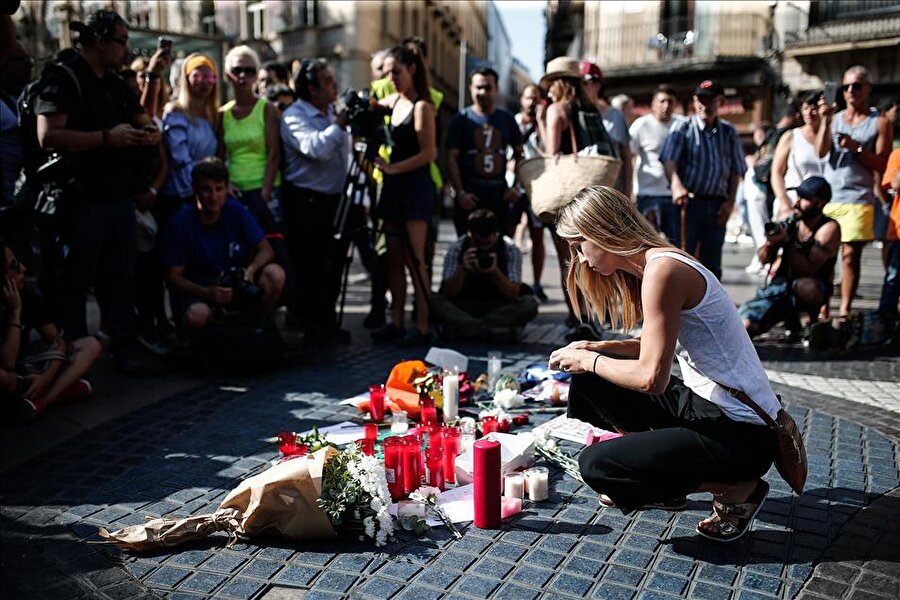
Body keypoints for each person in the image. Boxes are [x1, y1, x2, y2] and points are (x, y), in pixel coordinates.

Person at [548, 185, 779, 542]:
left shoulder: (663, 271)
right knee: (587, 378)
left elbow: (651, 378)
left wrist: (589, 358)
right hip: (710, 409)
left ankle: (737, 488)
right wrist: (597, 347)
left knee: (596, 466)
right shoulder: (658, 262)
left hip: (743, 436)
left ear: (601, 232)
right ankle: (664, 478)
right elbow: (658, 342)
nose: (579, 258)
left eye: (579, 246)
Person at [34, 9, 163, 375]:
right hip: (80, 200)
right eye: (121, 41)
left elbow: (142, 120)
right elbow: (47, 136)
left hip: (118, 198)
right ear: (100, 41)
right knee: (74, 281)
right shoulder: (64, 77)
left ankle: (124, 346)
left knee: (121, 277)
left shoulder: (116, 83)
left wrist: (148, 133)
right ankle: (72, 354)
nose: (126, 48)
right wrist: (107, 138)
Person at [539, 56, 617, 340]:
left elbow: (551, 157)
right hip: (591, 197)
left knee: (568, 261)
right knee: (592, 259)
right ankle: (595, 314)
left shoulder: (556, 110)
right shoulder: (591, 109)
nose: (548, 91)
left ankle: (578, 317)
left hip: (566, 198)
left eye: (550, 85)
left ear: (559, 84)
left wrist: (540, 121)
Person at [160, 158, 284, 330]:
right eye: (206, 190)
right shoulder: (180, 223)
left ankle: (259, 330)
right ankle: (194, 346)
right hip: (198, 290)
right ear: (195, 189)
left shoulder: (236, 211)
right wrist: (207, 292)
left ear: (227, 189)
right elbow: (173, 278)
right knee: (198, 314)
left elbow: (266, 250)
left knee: (275, 274)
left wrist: (250, 271)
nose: (213, 197)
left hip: (232, 287)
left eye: (219, 190)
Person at [280, 58, 352, 346]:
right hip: (306, 202)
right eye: (329, 82)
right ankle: (311, 330)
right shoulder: (294, 116)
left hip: (335, 200)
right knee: (310, 268)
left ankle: (328, 322)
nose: (335, 87)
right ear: (312, 89)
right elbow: (316, 148)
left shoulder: (333, 111)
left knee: (334, 265)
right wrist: (340, 125)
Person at [370, 45, 437, 345]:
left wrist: (394, 168)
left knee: (416, 258)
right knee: (393, 259)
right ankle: (395, 321)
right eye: (386, 73)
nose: (391, 78)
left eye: (396, 71)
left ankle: (421, 324)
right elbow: (369, 105)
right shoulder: (392, 101)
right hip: (393, 188)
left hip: (414, 188)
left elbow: (429, 153)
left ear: (411, 68)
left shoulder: (422, 106)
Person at [1, 239, 102, 421]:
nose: (23, 269)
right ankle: (59, 392)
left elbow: (58, 341)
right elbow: (7, 362)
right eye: (13, 267)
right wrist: (15, 312)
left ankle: (41, 402)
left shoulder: (27, 294)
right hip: (10, 377)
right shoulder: (15, 302)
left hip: (26, 368)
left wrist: (45, 378)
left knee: (90, 345)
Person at [823, 66, 893, 319]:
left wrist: (857, 149)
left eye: (857, 86)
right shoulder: (834, 118)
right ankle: (822, 309)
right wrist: (824, 121)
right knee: (825, 256)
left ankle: (844, 311)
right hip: (829, 196)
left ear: (868, 89)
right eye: (846, 86)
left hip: (858, 198)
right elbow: (821, 152)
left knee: (850, 256)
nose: (851, 91)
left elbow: (884, 164)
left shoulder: (880, 123)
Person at [660, 79, 746, 280]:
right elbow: (669, 160)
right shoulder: (683, 128)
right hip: (689, 202)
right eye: (701, 100)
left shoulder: (729, 132)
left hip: (717, 204)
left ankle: (710, 309)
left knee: (712, 263)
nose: (704, 105)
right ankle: (682, 307)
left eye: (710, 100)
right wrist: (676, 185)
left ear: (721, 102)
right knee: (683, 258)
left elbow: (736, 170)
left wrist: (730, 202)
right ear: (694, 101)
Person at [739, 176, 840, 338]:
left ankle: (812, 320)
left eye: (805, 198)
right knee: (746, 326)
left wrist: (787, 242)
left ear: (820, 203)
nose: (797, 203)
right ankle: (788, 319)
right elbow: (764, 260)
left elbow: (808, 270)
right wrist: (771, 243)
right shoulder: (791, 222)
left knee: (806, 286)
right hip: (780, 289)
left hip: (812, 288)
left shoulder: (829, 228)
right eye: (798, 196)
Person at [433, 209, 537, 341]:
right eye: (478, 243)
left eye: (488, 244)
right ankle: (484, 328)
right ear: (469, 235)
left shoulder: (509, 249)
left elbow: (514, 293)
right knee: (431, 300)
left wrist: (495, 272)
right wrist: (463, 269)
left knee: (529, 304)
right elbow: (448, 293)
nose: (483, 248)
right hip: (464, 305)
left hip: (498, 307)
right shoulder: (457, 248)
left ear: (496, 235)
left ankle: (472, 327)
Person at [446, 67, 523, 237]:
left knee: (500, 251)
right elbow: (451, 158)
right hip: (469, 199)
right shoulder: (461, 119)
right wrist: (460, 192)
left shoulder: (507, 120)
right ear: (471, 88)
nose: (483, 92)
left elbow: (520, 154)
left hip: (499, 199)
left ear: (496, 89)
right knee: (466, 249)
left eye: (487, 87)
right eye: (478, 87)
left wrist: (515, 187)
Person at [220, 45, 282, 235]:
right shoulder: (222, 114)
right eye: (237, 70)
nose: (243, 76)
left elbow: (274, 154)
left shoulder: (267, 109)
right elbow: (219, 156)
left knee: (271, 246)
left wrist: (264, 193)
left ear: (256, 76)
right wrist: (226, 186)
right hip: (234, 192)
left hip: (265, 191)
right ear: (228, 74)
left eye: (249, 70)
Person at [159, 53, 220, 230]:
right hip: (180, 197)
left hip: (205, 196)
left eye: (210, 77)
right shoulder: (175, 111)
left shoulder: (212, 116)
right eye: (198, 76)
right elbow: (180, 159)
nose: (205, 81)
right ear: (186, 78)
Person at [510, 83, 548, 302]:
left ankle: (537, 283)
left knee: (537, 235)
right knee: (509, 233)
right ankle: (511, 281)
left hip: (537, 188)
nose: (531, 102)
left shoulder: (545, 124)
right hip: (514, 187)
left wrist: (541, 121)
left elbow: (548, 149)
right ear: (521, 99)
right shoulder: (512, 122)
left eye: (536, 98)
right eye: (527, 98)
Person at [629, 85, 681, 239]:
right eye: (662, 101)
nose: (666, 105)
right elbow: (630, 157)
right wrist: (629, 190)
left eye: (670, 101)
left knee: (675, 244)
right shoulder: (641, 125)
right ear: (653, 104)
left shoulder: (682, 125)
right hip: (648, 194)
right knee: (646, 243)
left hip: (675, 195)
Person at [580, 61, 633, 198]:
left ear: (597, 85)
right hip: (582, 190)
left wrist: (627, 194)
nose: (581, 87)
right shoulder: (572, 114)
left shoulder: (615, 116)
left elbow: (626, 156)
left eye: (585, 83)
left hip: (612, 190)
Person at [878, 149, 900, 324]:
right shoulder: (897, 155)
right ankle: (886, 323)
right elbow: (895, 184)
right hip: (899, 232)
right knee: (893, 280)